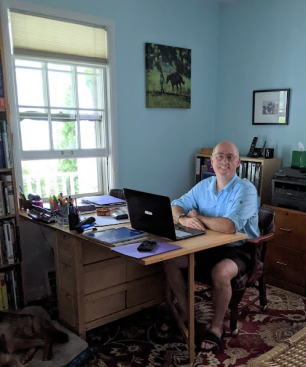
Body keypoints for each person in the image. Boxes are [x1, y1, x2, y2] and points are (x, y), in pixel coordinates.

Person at [163, 141, 259, 352]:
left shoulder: (246, 189)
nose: (224, 161)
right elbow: (174, 206)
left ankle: (216, 327)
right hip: (207, 246)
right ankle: (186, 312)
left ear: (237, 162)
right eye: (220, 156)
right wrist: (183, 219)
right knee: (169, 259)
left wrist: (198, 217)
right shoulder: (203, 186)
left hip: (240, 249)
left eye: (230, 157)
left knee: (220, 272)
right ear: (212, 161)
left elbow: (229, 226)